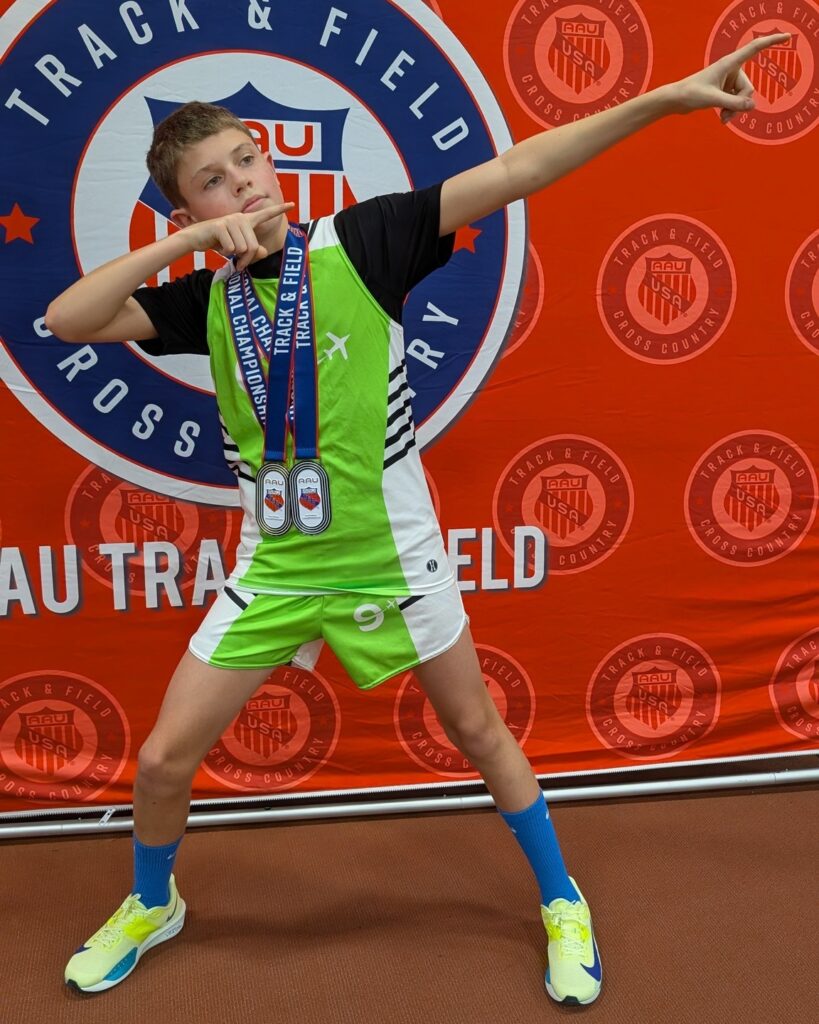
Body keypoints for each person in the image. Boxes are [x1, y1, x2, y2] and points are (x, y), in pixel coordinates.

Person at [47, 32, 787, 1005]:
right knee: (159, 761)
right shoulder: (200, 300)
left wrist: (663, 99)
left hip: (394, 557)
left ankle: (562, 899)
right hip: (276, 569)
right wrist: (185, 251)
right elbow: (68, 320)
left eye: (248, 159)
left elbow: (519, 169)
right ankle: (154, 902)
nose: (244, 184)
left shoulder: (364, 240)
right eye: (212, 182)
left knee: (477, 729)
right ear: (188, 212)